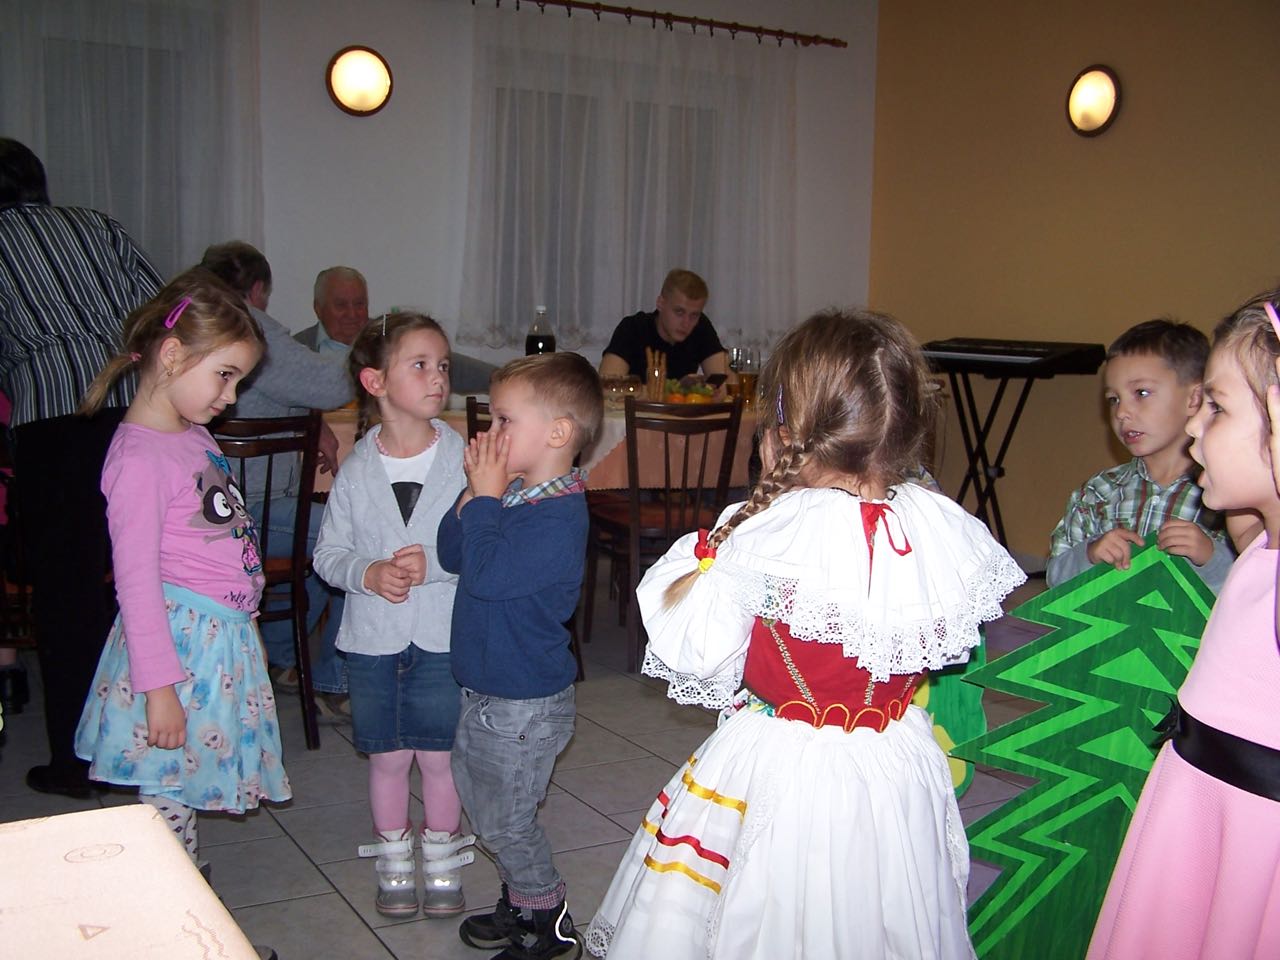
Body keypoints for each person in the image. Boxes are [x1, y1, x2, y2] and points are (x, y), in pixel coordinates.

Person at [583, 310, 1026, 960]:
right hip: (895, 761)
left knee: (778, 907)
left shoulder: (766, 532)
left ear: (783, 434)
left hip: (785, 764)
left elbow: (703, 654)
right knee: (882, 905)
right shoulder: (939, 525)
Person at [73, 267, 290, 866]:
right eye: (225, 374)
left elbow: (219, 533)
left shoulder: (193, 435)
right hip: (178, 646)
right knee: (166, 783)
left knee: (183, 781)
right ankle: (175, 892)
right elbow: (136, 583)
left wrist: (245, 626)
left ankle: (184, 884)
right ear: (172, 355)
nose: (231, 396)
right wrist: (159, 689)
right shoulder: (140, 458)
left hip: (217, 640)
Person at [1087, 292, 1280, 959]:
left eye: (1217, 407)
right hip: (1191, 816)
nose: (1195, 426)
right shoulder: (1258, 543)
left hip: (1249, 841)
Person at [0, 137, 162, 797]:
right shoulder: (98, 224)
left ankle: (79, 761)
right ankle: (150, 739)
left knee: (67, 597)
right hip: (136, 412)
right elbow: (164, 311)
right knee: (143, 579)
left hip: (53, 422)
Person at [438, 351, 603, 960]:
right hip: (489, 689)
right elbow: (453, 554)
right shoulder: (513, 495)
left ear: (557, 433)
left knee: (507, 820)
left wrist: (485, 503)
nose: (491, 432)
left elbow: (484, 576)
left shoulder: (557, 518)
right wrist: (472, 498)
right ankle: (521, 898)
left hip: (524, 704)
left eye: (505, 420)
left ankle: (549, 921)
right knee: (487, 805)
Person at [312, 312, 476, 918]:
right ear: (376, 382)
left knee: (439, 756)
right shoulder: (357, 470)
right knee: (386, 758)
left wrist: (435, 563)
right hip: (374, 641)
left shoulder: (465, 461)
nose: (438, 378)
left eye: (443, 365)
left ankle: (442, 858)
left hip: (441, 637)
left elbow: (484, 543)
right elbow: (328, 554)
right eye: (421, 365)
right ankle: (393, 859)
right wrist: (367, 573)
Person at [200, 242, 352, 719]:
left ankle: (284, 659)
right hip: (246, 509)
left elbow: (283, 388)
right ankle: (334, 679)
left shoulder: (198, 320)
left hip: (211, 507)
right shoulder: (246, 325)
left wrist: (309, 416)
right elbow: (332, 385)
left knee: (321, 539)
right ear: (257, 289)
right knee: (357, 536)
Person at [1047, 319, 1234, 591]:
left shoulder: (1226, 496)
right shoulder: (1098, 493)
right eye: (1114, 399)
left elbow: (1259, 590)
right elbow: (1055, 579)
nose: (1122, 412)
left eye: (1141, 393)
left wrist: (1211, 558)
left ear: (1194, 399)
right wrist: (1090, 555)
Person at [600, 269, 728, 380]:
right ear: (660, 303)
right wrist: (676, 392)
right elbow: (607, 385)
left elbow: (721, 384)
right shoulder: (633, 328)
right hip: (635, 402)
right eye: (679, 312)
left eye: (694, 315)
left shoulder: (701, 327)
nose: (686, 323)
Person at [294, 266, 371, 354]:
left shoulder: (383, 340)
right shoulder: (295, 349)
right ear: (318, 309)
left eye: (359, 304)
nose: (352, 314)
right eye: (341, 305)